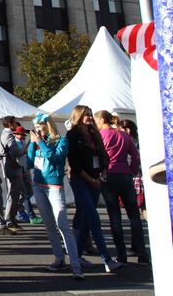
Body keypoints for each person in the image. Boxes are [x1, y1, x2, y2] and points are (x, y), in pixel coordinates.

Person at [66, 105, 123, 273]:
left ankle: (75, 256)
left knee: (85, 220)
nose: (89, 118)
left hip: (96, 179)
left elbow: (103, 155)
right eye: (86, 115)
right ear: (78, 116)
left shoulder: (94, 133)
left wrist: (101, 174)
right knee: (93, 217)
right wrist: (90, 179)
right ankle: (107, 259)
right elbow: (74, 162)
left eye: (90, 115)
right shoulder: (73, 135)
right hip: (81, 180)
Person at [27, 113, 83, 279]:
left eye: (39, 127)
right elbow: (29, 162)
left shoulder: (61, 141)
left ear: (47, 126)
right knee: (49, 225)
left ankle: (76, 265)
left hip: (54, 186)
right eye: (36, 128)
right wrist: (32, 144)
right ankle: (59, 258)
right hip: (39, 185)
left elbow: (55, 159)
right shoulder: (38, 143)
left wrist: (41, 144)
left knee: (62, 224)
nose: (37, 131)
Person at [94, 110, 149, 264]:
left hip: (109, 175)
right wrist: (131, 171)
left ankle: (122, 254)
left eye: (96, 120)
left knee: (114, 215)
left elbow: (98, 157)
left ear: (101, 120)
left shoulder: (101, 136)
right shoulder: (124, 135)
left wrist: (99, 172)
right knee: (134, 215)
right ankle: (142, 253)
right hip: (125, 175)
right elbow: (136, 156)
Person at [0, 116, 26, 232]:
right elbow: (15, 151)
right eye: (14, 123)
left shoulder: (1, 135)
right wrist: (24, 150)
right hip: (13, 169)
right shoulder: (9, 135)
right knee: (13, 196)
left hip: (9, 168)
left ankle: (11, 220)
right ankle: (10, 221)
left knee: (15, 195)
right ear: (10, 124)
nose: (16, 125)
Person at [15, 124, 43, 225]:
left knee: (28, 193)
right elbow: (20, 154)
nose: (23, 136)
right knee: (26, 194)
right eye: (21, 134)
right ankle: (29, 215)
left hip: (24, 169)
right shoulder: (16, 143)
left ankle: (20, 210)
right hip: (21, 170)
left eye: (23, 134)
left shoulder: (21, 142)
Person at [120, 119, 146, 220]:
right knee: (141, 205)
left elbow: (135, 159)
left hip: (136, 175)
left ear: (127, 130)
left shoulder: (132, 142)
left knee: (139, 205)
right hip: (137, 175)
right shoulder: (137, 141)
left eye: (121, 129)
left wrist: (132, 171)